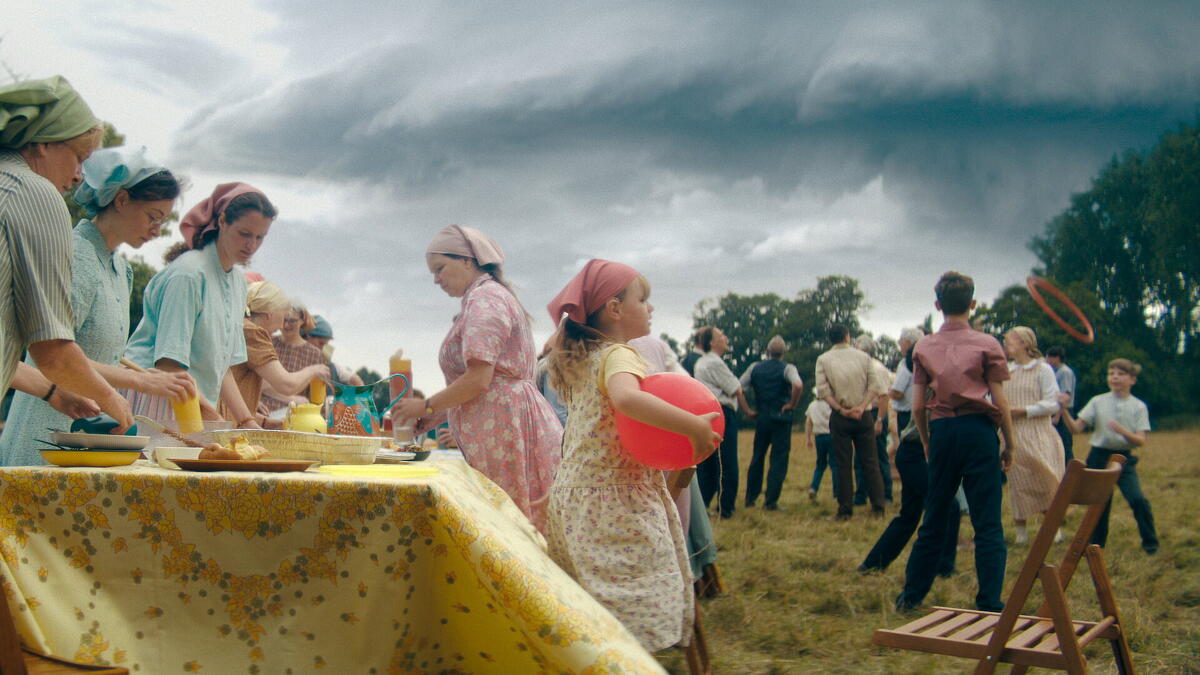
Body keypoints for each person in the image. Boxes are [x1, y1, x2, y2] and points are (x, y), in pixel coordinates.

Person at [544, 259, 720, 651]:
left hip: (574, 496)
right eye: (643, 299)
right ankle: (629, 657)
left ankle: (594, 654)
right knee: (640, 584)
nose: (650, 308)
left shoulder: (585, 358)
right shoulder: (618, 355)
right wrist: (692, 426)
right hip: (615, 497)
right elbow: (627, 399)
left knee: (592, 592)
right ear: (615, 308)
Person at [1, 146, 197, 464]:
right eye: (152, 217)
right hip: (44, 436)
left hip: (88, 438)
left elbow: (97, 355)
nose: (156, 230)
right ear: (121, 199)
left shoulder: (121, 270)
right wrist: (141, 381)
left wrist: (141, 376)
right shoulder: (76, 255)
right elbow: (50, 353)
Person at [393, 225, 562, 533]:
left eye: (440, 269)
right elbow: (484, 382)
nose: (436, 279)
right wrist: (435, 416)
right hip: (501, 425)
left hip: (505, 428)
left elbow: (480, 380)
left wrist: (425, 405)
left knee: (511, 526)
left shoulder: (486, 299)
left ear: (467, 260)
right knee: (510, 523)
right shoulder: (483, 298)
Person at [0, 75, 133, 431]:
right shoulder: (33, 192)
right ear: (44, 142)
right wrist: (112, 400)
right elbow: (53, 350)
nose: (78, 177)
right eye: (78, 158)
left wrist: (52, 392)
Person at [896, 271, 1016, 613]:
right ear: (973, 304)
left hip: (943, 431)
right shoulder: (988, 344)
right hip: (979, 431)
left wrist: (926, 441)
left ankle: (911, 597)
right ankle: (989, 601)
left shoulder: (924, 346)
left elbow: (917, 405)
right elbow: (1000, 401)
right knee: (987, 521)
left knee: (934, 517)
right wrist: (1010, 443)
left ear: (938, 306)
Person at [124, 183, 278, 429]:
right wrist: (211, 417)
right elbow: (169, 365)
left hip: (195, 406)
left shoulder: (238, 283)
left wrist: (246, 421)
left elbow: (221, 367)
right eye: (245, 234)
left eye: (260, 237)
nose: (252, 245)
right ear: (223, 221)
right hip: (154, 400)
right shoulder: (188, 275)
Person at [858, 332, 958, 575]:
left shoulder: (928, 380)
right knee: (948, 506)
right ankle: (942, 568)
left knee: (910, 515)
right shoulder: (933, 385)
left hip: (912, 452)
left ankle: (872, 564)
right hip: (916, 452)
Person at [1060, 358, 1158, 554]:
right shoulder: (1098, 401)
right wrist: (1063, 410)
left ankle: (1150, 543)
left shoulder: (1138, 406)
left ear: (1132, 380)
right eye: (1111, 373)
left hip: (1124, 459)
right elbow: (1076, 428)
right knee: (1100, 503)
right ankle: (1097, 546)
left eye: (1121, 374)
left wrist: (1123, 431)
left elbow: (1140, 440)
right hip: (1098, 457)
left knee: (1137, 499)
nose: (1115, 377)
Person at [224, 281, 329, 424]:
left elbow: (237, 388)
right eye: (284, 317)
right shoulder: (254, 333)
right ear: (270, 313)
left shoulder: (239, 326)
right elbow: (287, 385)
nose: (282, 326)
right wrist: (314, 370)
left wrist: (264, 422)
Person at [815, 324, 887, 520]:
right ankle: (878, 507)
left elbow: (823, 391)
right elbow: (875, 386)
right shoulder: (864, 357)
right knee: (870, 462)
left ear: (830, 339)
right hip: (864, 415)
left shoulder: (823, 359)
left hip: (840, 416)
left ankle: (845, 509)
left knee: (843, 464)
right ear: (847, 336)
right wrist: (862, 407)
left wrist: (841, 409)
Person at [1002, 326, 1065, 545]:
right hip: (1012, 434)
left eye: (1010, 341)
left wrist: (1024, 411)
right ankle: (1021, 532)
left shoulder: (1042, 369)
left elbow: (1053, 403)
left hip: (1039, 433)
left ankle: (1053, 528)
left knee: (1046, 479)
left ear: (1024, 343)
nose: (1006, 345)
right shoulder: (1006, 370)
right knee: (1018, 483)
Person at [693, 326, 754, 519]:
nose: (725, 338)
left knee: (708, 463)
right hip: (723, 412)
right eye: (721, 335)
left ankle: (703, 504)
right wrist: (748, 410)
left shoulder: (701, 362)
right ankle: (726, 507)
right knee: (727, 461)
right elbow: (736, 388)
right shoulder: (715, 363)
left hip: (707, 412)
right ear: (712, 342)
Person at [739, 335, 803, 510]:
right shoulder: (788, 368)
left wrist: (747, 410)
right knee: (779, 459)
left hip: (762, 417)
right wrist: (792, 404)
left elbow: (738, 388)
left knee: (757, 456)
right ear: (784, 352)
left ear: (767, 352)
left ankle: (750, 498)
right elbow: (798, 385)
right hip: (781, 418)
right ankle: (771, 501)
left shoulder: (754, 368)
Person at [260, 304, 325, 413]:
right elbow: (260, 383)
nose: (286, 325)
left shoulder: (315, 354)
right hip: (262, 412)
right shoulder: (267, 342)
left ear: (302, 320)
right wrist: (292, 399)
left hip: (296, 415)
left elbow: (315, 396)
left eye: (292, 321)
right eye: (283, 319)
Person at [852, 334, 894, 504]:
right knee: (859, 457)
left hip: (875, 413)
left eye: (856, 348)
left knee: (878, 455)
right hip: (864, 412)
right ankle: (861, 494)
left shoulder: (877, 369)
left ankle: (886, 494)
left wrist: (879, 420)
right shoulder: (861, 368)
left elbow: (884, 396)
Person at [303, 315, 363, 386]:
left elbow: (355, 380)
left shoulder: (330, 366)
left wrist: (361, 391)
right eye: (321, 343)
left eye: (326, 344)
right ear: (308, 337)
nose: (323, 349)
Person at [1046, 345, 1076, 462]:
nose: (1047, 360)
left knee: (1065, 444)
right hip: (1056, 411)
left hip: (1063, 412)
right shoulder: (1055, 371)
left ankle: (1070, 470)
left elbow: (1065, 396)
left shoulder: (1065, 372)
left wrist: (1058, 416)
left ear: (1057, 358)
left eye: (1049, 357)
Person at [804, 396, 834, 500]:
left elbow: (808, 422)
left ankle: (813, 487)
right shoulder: (831, 405)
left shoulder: (812, 405)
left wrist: (808, 438)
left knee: (820, 464)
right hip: (832, 436)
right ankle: (837, 492)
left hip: (819, 437)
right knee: (835, 465)